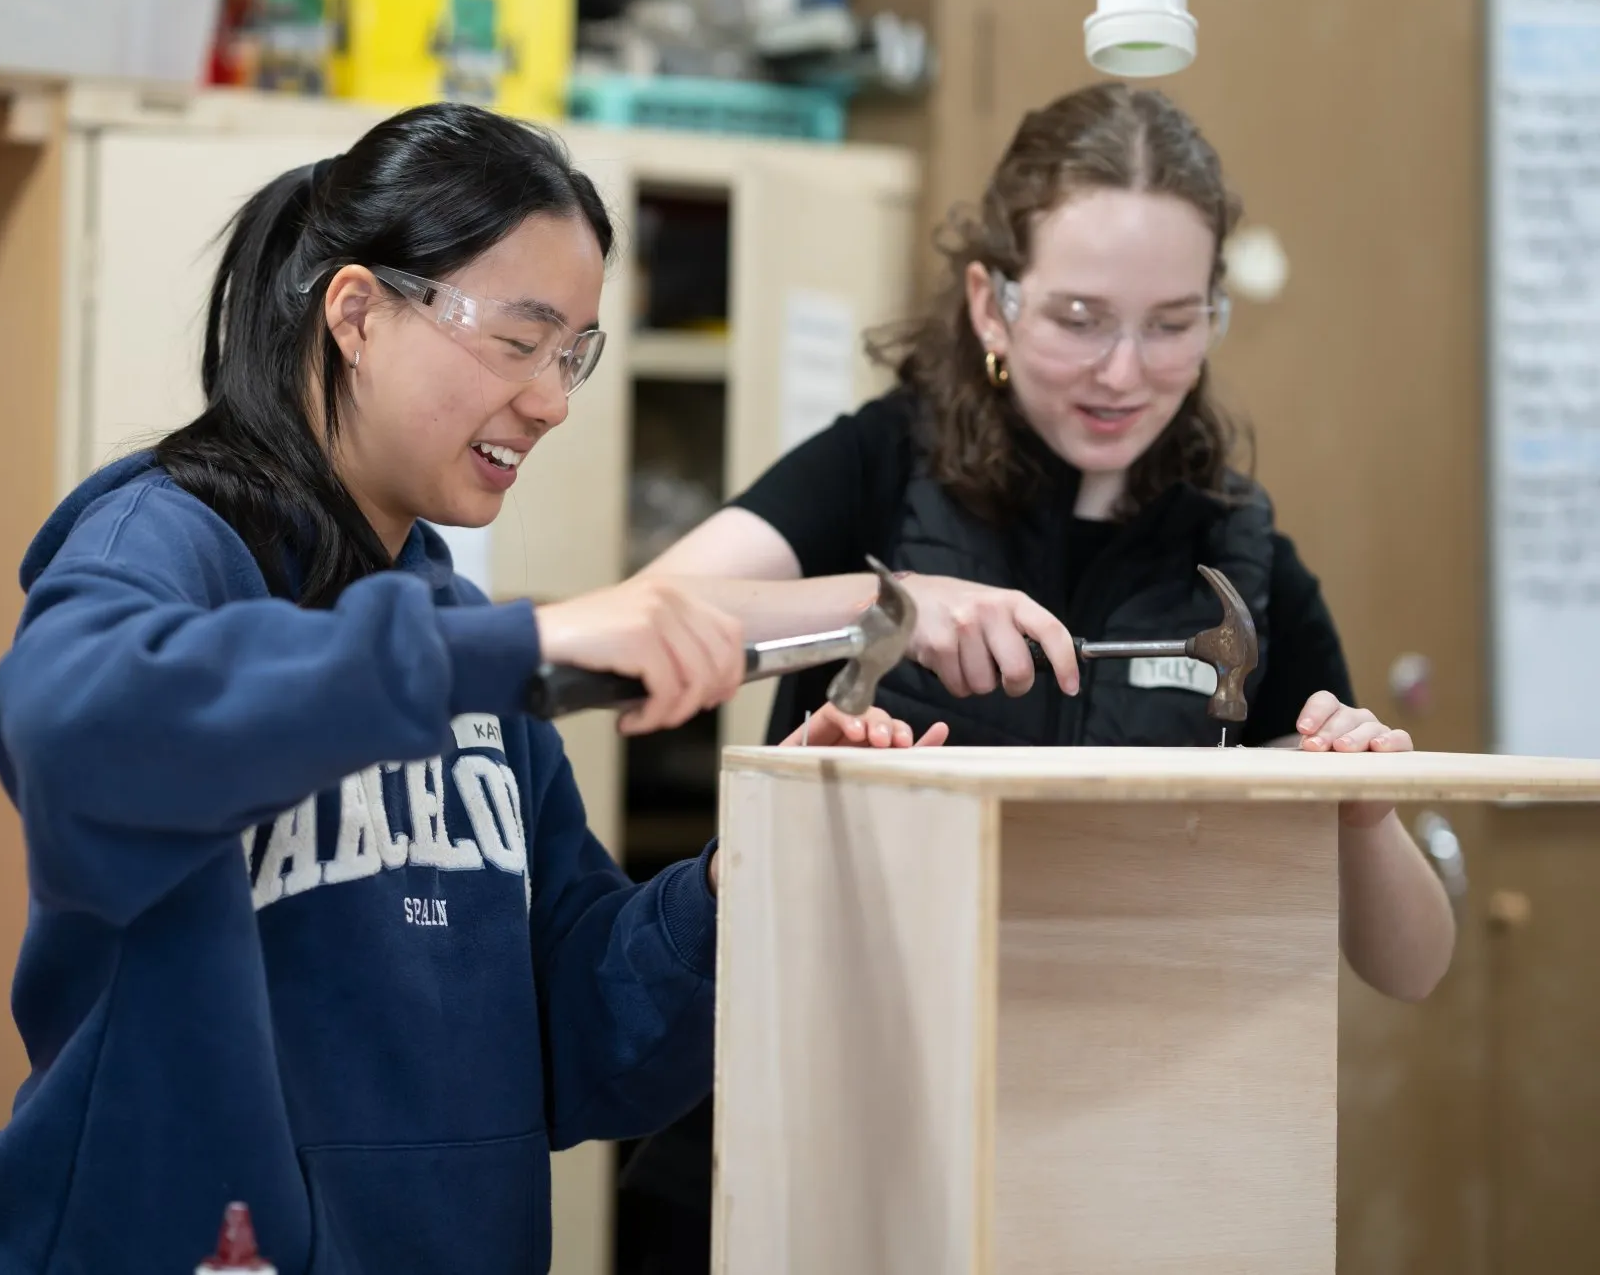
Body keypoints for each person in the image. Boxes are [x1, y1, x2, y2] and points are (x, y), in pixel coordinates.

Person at [614, 82, 1456, 1271]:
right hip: (814, 1144)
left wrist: (1356, 810)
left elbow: (1411, 965)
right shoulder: (877, 466)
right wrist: (885, 604)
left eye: (1172, 321)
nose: (1124, 370)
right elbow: (639, 621)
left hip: (1088, 1169)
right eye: (1075, 316)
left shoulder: (1234, 547)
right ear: (990, 303)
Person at [0, 102, 748, 1275]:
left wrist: (737, 881)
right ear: (356, 314)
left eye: (572, 353)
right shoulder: (163, 541)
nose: (552, 401)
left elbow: (577, 1035)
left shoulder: (459, 640)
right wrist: (508, 649)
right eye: (518, 341)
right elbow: (69, 732)